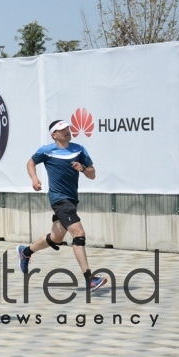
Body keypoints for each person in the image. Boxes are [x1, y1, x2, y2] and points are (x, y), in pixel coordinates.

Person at [16, 120, 107, 292]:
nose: (67, 131)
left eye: (68, 129)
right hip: (59, 199)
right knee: (78, 233)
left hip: (72, 200)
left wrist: (82, 168)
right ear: (54, 135)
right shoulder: (46, 150)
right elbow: (30, 163)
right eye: (62, 130)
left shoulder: (79, 149)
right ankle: (90, 279)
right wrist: (34, 179)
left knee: (57, 237)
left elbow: (92, 174)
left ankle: (26, 252)